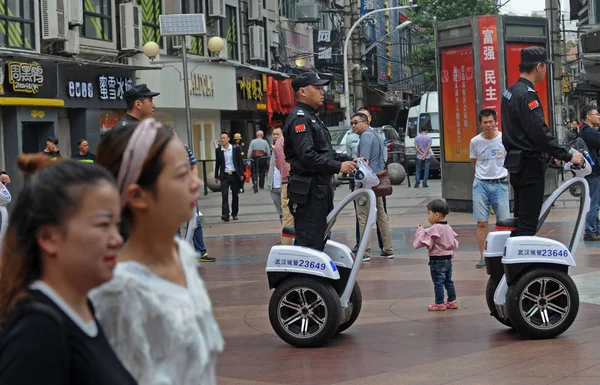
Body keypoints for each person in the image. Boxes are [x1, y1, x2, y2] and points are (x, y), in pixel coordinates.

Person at [91, 118, 224, 385]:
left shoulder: (182, 255)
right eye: (181, 174)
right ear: (138, 195)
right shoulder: (119, 292)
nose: (195, 183)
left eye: (192, 170)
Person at [0, 154, 136, 384]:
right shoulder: (37, 330)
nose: (117, 240)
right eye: (103, 225)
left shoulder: (81, 307)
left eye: (117, 225)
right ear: (49, 237)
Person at [502, 46, 584, 237]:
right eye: (545, 66)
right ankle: (520, 265)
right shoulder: (527, 95)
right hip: (530, 165)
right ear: (539, 66)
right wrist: (567, 155)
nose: (546, 71)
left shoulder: (511, 91)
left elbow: (522, 132)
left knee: (520, 220)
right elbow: (538, 132)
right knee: (528, 224)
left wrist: (551, 155)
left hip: (517, 164)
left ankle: (514, 263)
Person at [283, 72, 357, 251]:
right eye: (317, 88)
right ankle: (304, 279)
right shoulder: (300, 119)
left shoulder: (312, 117)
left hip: (320, 189)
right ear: (302, 91)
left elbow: (325, 152)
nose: (322, 92)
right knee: (310, 242)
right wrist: (338, 166)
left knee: (319, 237)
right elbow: (307, 156)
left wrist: (349, 160)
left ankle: (311, 279)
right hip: (309, 192)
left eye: (322, 88)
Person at [470, 109, 510, 269]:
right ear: (480, 124)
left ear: (496, 122)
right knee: (481, 223)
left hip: (500, 183)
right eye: (485, 122)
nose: (488, 125)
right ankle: (483, 257)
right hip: (481, 184)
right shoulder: (475, 142)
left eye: (490, 122)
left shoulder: (504, 138)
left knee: (504, 222)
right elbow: (474, 161)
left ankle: (505, 255)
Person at [351, 112, 394, 261]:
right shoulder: (377, 135)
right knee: (381, 215)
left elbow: (363, 163)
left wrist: (357, 185)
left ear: (365, 122)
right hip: (377, 180)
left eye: (356, 122)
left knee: (363, 216)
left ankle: (365, 251)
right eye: (352, 123)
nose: (353, 126)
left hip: (367, 183)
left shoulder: (366, 137)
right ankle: (388, 248)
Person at [413, 199, 459, 312]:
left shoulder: (435, 228)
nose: (428, 217)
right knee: (448, 281)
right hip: (448, 260)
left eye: (429, 213)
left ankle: (439, 303)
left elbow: (422, 241)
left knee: (438, 282)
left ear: (437, 214)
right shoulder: (448, 227)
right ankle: (452, 301)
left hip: (437, 261)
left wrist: (420, 230)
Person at [578, 105, 600, 241]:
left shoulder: (585, 131)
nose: (599, 116)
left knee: (595, 201)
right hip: (592, 173)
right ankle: (590, 231)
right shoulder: (589, 132)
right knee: (594, 202)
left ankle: (595, 229)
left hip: (591, 172)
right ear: (588, 116)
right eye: (596, 114)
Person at [214, 131, 245, 222]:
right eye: (221, 138)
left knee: (235, 195)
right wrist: (216, 176)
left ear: (228, 139)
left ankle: (234, 214)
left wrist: (242, 174)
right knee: (224, 194)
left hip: (234, 174)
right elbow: (217, 164)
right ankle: (225, 214)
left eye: (224, 138)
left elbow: (240, 162)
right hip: (224, 175)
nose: (222, 139)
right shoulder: (219, 150)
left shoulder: (235, 149)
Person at [267, 127, 283, 223]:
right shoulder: (273, 148)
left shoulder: (286, 148)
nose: (275, 136)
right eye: (274, 134)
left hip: (283, 184)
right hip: (273, 185)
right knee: (280, 211)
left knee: (286, 209)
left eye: (278, 134)